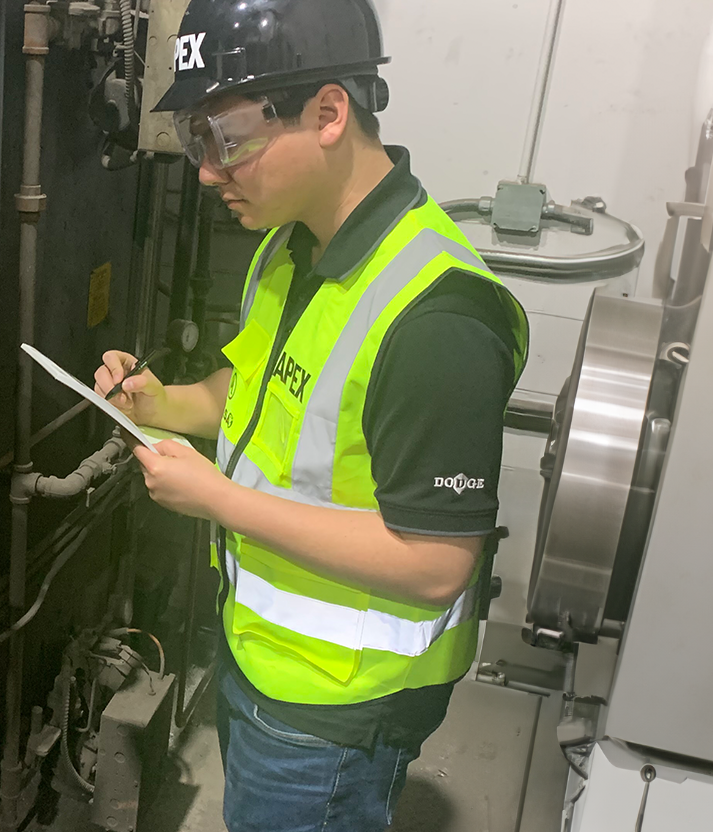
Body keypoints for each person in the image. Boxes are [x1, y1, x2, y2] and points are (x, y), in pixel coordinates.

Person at [93, 0, 529, 829]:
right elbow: (255, 395)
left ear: (328, 113)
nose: (206, 171)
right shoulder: (291, 248)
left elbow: (437, 562)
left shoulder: (437, 318)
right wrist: (160, 402)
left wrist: (218, 501)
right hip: (261, 655)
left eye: (224, 139)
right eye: (195, 140)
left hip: (338, 708)